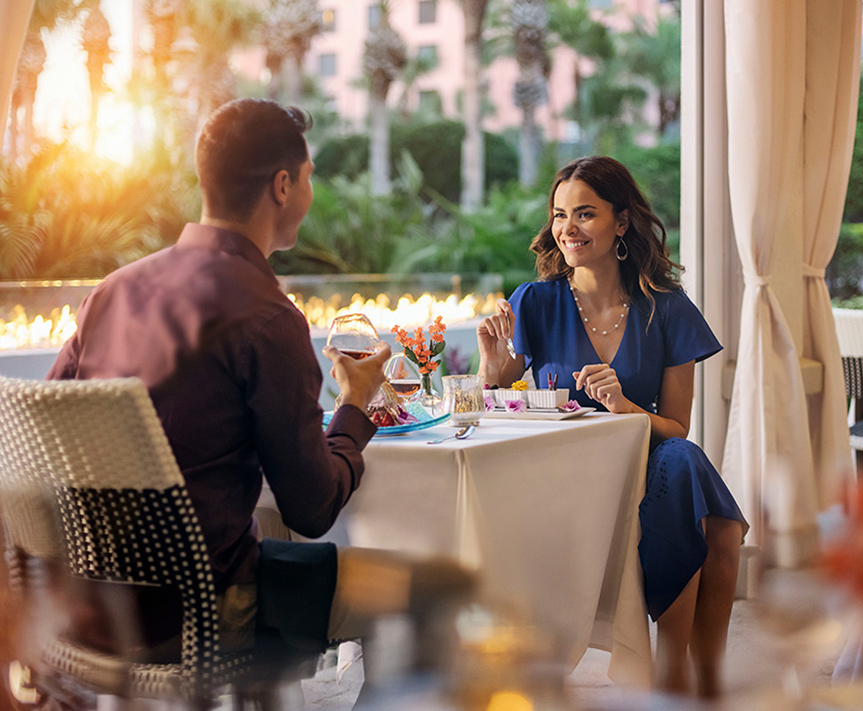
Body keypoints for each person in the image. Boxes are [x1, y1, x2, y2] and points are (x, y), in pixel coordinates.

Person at [46, 98, 470, 665]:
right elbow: (313, 509)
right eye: (310, 179)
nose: (310, 192)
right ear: (283, 186)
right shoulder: (267, 318)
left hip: (83, 604)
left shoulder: (112, 293)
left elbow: (50, 432)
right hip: (206, 610)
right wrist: (355, 405)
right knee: (435, 588)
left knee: (262, 532)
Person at [476, 156, 748, 698]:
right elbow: (495, 403)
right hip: (564, 472)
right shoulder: (534, 300)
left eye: (585, 214)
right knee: (719, 526)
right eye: (559, 215)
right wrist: (490, 360)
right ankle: (683, 678)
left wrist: (625, 408)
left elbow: (677, 427)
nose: (567, 229)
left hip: (646, 468)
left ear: (621, 222)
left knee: (685, 465)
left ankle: (691, 678)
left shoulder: (667, 308)